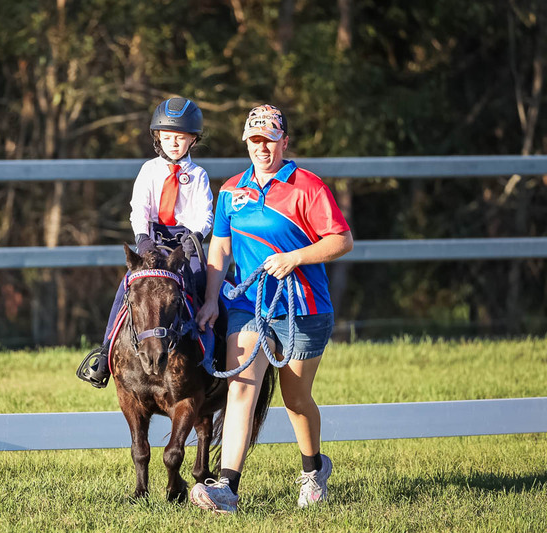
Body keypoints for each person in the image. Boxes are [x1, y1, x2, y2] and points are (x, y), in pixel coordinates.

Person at [190, 104, 353, 513]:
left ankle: (313, 469)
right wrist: (211, 300)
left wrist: (295, 258)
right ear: (246, 142)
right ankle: (227, 487)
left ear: (284, 141)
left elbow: (341, 240)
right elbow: (220, 247)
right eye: (255, 140)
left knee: (296, 400)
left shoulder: (307, 186)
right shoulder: (231, 191)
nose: (262, 148)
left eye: (270, 140)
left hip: (304, 308)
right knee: (241, 388)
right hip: (249, 306)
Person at [76, 97, 214, 388]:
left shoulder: (198, 175)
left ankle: (211, 352)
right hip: (153, 240)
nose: (173, 143)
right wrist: (143, 241)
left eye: (180, 137)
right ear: (158, 137)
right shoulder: (149, 170)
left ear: (193, 139)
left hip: (186, 242)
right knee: (126, 288)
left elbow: (205, 214)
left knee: (203, 285)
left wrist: (192, 240)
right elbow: (139, 208)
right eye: (167, 136)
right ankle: (105, 353)